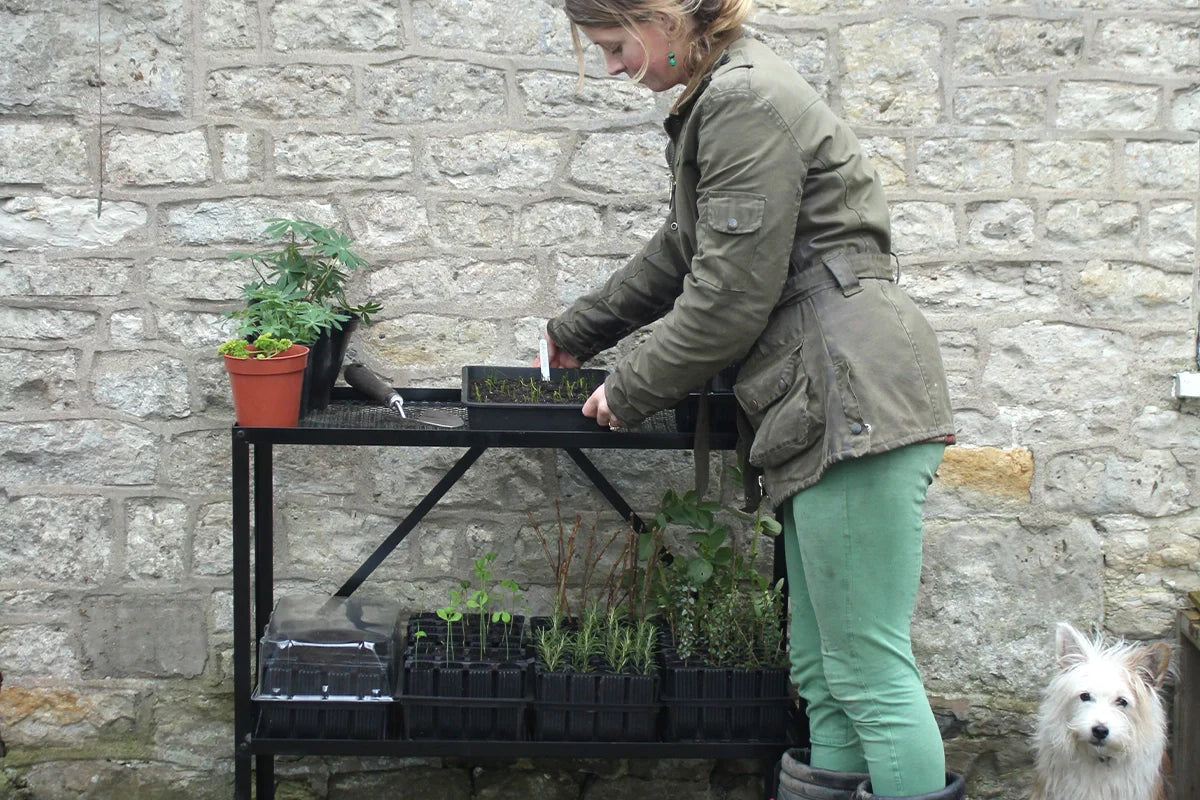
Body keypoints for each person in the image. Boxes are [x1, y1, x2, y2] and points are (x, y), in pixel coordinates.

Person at [538, 1, 960, 798]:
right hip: (824, 394)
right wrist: (578, 331)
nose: (613, 67)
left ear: (662, 18)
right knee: (822, 668)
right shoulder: (728, 94)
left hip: (850, 392)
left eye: (616, 45)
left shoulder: (743, 100)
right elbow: (684, 247)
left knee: (865, 667)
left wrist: (630, 386)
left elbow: (729, 297)